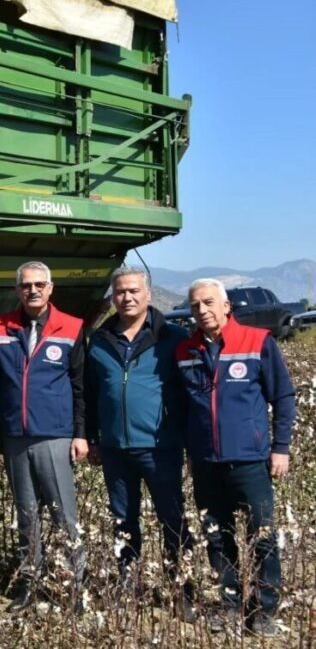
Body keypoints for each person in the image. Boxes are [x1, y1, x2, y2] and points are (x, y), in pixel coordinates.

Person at [176, 278, 296, 638]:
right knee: (216, 536)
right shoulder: (185, 351)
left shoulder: (257, 342)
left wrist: (281, 448)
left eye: (209, 302)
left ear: (226, 306)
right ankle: (227, 604)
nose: (202, 310)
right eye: (195, 305)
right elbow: (184, 409)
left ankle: (263, 610)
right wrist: (191, 452)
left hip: (250, 459)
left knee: (262, 536)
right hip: (206, 462)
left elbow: (283, 397)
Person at [84, 267, 194, 619]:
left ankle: (182, 589)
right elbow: (89, 395)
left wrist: (187, 437)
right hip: (115, 448)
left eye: (134, 291)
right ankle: (127, 587)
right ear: (113, 297)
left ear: (148, 294)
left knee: (172, 518)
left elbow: (189, 393)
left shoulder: (172, 337)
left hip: (160, 447)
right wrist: (92, 438)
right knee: (123, 519)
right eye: (120, 292)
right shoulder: (99, 341)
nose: (127, 297)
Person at [0, 261, 87, 611]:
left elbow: (80, 386)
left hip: (54, 435)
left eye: (39, 284)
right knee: (26, 516)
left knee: (64, 516)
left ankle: (73, 588)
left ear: (50, 288)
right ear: (17, 290)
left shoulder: (72, 326)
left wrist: (80, 433)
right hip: (15, 436)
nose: (33, 290)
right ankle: (29, 585)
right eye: (26, 285)